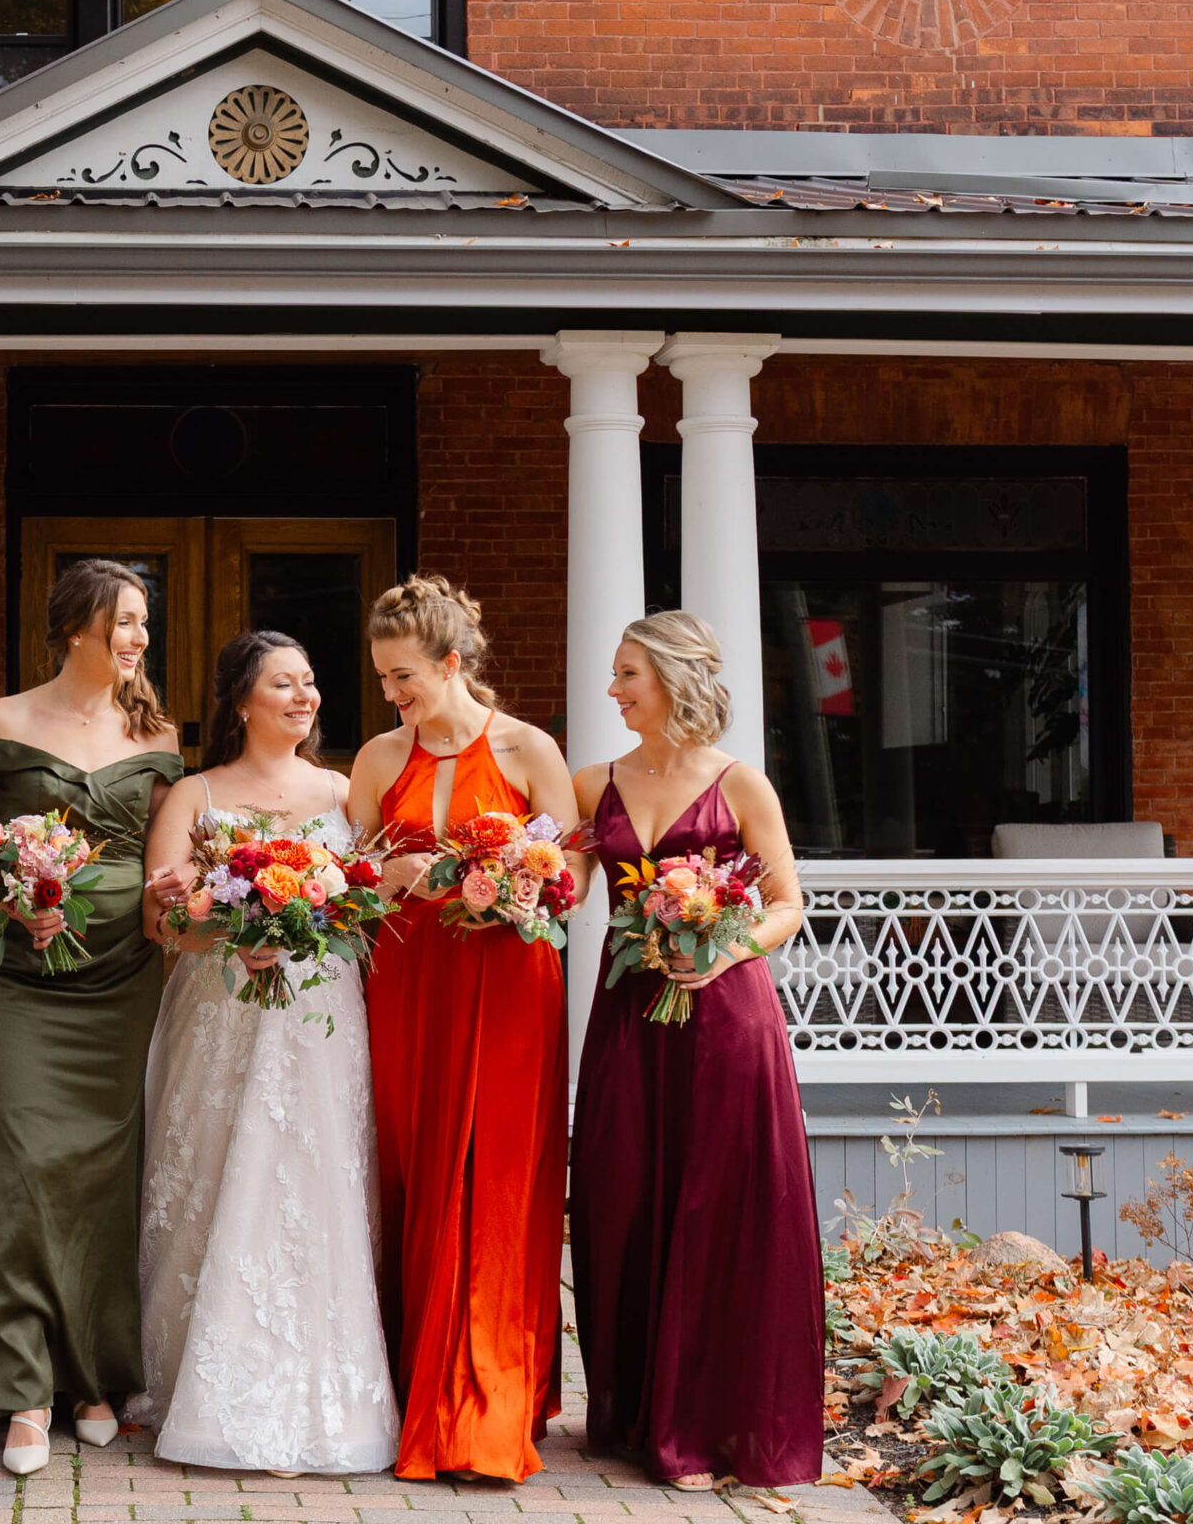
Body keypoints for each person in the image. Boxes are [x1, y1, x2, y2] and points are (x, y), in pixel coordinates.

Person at [0, 558, 184, 1475]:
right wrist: (12, 897)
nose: (138, 639)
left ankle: (93, 1376)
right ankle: (23, 1385)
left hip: (125, 974)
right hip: (30, 978)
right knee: (26, 1168)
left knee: (103, 1174)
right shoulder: (6, 720)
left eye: (143, 624)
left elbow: (165, 867)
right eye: (124, 622)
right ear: (78, 626)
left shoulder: (152, 729)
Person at [129, 631, 399, 1475]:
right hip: (221, 1012)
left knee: (315, 1181)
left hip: (319, 1017)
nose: (304, 697)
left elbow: (363, 905)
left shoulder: (343, 791)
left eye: (310, 683)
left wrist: (317, 924)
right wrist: (222, 930)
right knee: (212, 1178)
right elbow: (159, 919)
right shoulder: (195, 794)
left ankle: (320, 1390)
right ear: (242, 701)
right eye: (283, 684)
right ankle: (201, 1382)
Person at [568, 611, 824, 1493]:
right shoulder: (588, 782)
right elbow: (563, 886)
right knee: (625, 1194)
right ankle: (636, 1412)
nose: (613, 690)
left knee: (718, 1208)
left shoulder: (741, 784)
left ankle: (709, 1428)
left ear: (672, 680)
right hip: (629, 1019)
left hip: (725, 1020)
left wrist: (726, 947)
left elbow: (787, 904)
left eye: (627, 675)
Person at [345, 575, 579, 1483]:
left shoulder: (529, 750)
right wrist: (388, 878)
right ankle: (419, 1390)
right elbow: (348, 885)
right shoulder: (374, 758)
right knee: (417, 1168)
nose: (392, 694)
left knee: (497, 1178)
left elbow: (573, 880)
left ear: (451, 663)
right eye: (382, 678)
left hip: (510, 983)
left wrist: (522, 887)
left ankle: (489, 1409)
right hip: (409, 983)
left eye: (403, 676)